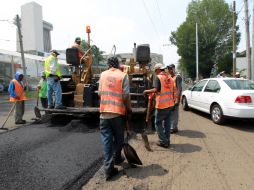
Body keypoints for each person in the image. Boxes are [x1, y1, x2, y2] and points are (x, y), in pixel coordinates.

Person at [98, 56, 132, 181]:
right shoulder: (123, 76)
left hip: (104, 113)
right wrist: (129, 109)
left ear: (108, 65)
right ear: (118, 65)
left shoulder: (102, 75)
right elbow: (126, 95)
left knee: (107, 140)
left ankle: (108, 168)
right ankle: (117, 157)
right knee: (119, 139)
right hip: (117, 114)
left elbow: (99, 93)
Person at [143, 63, 176, 148]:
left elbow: (156, 89)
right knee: (167, 123)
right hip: (170, 104)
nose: (155, 72)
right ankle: (167, 140)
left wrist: (146, 91)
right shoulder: (170, 78)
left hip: (162, 105)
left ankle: (163, 141)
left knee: (157, 123)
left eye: (155, 70)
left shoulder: (158, 77)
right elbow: (170, 91)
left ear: (158, 69)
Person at [168, 64, 182, 133]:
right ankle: (174, 127)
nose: (169, 70)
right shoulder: (169, 77)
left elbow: (179, 89)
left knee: (175, 113)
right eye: (168, 69)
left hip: (175, 98)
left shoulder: (177, 77)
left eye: (170, 68)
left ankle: (172, 128)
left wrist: (177, 99)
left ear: (173, 69)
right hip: (170, 98)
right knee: (171, 113)